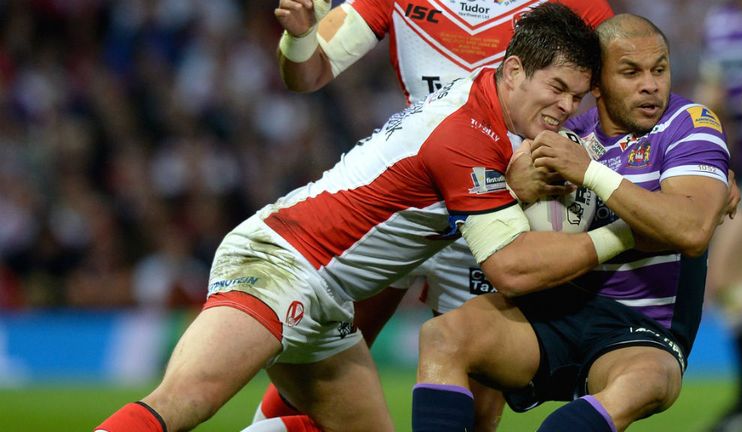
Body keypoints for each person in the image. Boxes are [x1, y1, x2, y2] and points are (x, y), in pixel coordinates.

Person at [93, 4, 606, 431]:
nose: (567, 106)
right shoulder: (467, 137)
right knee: (186, 400)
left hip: (327, 297)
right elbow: (511, 268)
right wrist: (621, 233)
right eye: (557, 88)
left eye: (576, 97)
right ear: (514, 70)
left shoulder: (481, 107)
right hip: (280, 263)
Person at [259, 0, 615, 431]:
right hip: (407, 206)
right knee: (313, 371)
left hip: (493, 215)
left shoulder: (575, 6)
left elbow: (631, 74)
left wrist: (695, 153)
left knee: (477, 416)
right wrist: (299, 37)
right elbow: (307, 73)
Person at [412, 13, 734, 432]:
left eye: (659, 69)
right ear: (596, 84)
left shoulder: (689, 125)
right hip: (553, 316)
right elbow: (493, 183)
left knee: (645, 382)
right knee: (444, 336)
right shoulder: (565, 130)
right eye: (631, 72)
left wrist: (590, 174)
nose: (651, 84)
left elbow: (691, 231)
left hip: (641, 331)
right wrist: (516, 183)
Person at [694, 1, 742, 431]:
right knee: (726, 280)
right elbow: (713, 84)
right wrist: (712, 102)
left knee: (728, 276)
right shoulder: (719, 21)